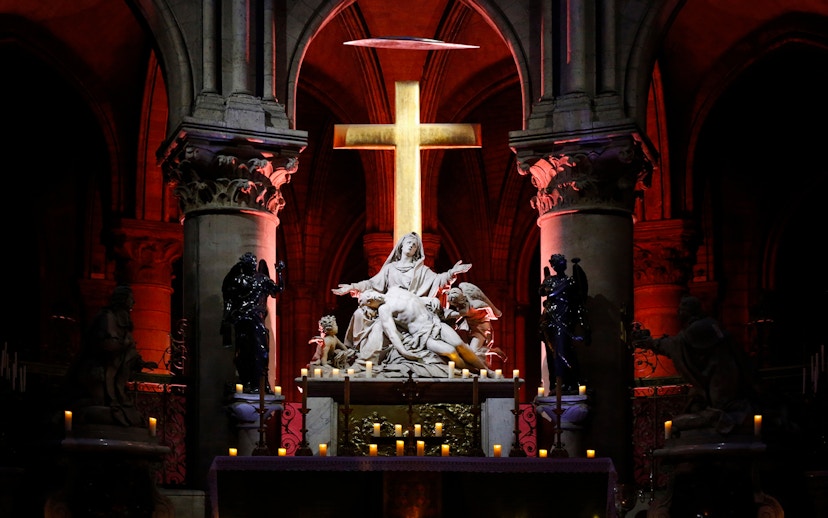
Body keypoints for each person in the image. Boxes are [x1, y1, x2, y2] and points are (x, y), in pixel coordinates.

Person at [332, 232, 471, 365]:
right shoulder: (390, 268)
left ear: (417, 250)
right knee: (360, 314)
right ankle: (361, 355)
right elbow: (372, 283)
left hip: (414, 311)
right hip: (393, 310)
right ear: (402, 245)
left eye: (415, 245)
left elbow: (439, 280)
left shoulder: (422, 270)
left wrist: (452, 272)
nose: (411, 246)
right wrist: (352, 287)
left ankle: (472, 369)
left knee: (455, 346)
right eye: (409, 242)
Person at [634, 296, 757, 435]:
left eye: (681, 309)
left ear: (688, 311)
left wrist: (649, 342)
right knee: (697, 405)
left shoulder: (699, 328)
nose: (678, 313)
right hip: (721, 374)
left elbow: (675, 345)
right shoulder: (710, 323)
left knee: (720, 409)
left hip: (721, 377)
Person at [65, 285, 156, 427]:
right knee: (99, 404)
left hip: (113, 374)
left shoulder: (124, 323)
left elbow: (129, 349)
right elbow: (106, 345)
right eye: (131, 299)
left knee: (125, 411)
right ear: (122, 300)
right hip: (98, 372)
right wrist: (122, 345)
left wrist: (140, 362)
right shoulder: (107, 318)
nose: (133, 303)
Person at [358, 287, 487, 371]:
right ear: (370, 307)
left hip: (434, 322)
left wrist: (431, 299)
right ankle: (473, 371)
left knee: (460, 345)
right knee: (451, 351)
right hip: (423, 335)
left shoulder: (394, 289)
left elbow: (415, 299)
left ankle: (487, 371)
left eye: (369, 294)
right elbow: (391, 333)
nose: (371, 298)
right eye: (368, 301)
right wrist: (403, 351)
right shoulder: (384, 309)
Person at [221, 252, 285, 393]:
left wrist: (279, 273)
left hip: (256, 317)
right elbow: (229, 299)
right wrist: (226, 318)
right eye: (248, 263)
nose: (251, 266)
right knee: (243, 352)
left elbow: (278, 290)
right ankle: (247, 382)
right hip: (242, 319)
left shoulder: (261, 279)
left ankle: (261, 383)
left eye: (253, 263)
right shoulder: (238, 280)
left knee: (261, 350)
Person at [538, 254, 590, 393]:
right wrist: (550, 289)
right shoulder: (550, 280)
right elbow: (541, 291)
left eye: (563, 262)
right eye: (558, 262)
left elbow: (578, 300)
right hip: (551, 318)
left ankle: (571, 382)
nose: (561, 264)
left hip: (565, 316)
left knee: (564, 350)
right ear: (554, 265)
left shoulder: (570, 281)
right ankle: (558, 382)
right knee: (554, 351)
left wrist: (584, 325)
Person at [444, 282, 506, 369]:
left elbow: (489, 306)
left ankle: (495, 351)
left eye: (458, 303)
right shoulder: (460, 307)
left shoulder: (475, 304)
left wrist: (494, 313)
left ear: (463, 298)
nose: (458, 306)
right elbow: (458, 316)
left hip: (481, 328)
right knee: (461, 346)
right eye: (456, 304)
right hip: (469, 327)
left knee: (473, 351)